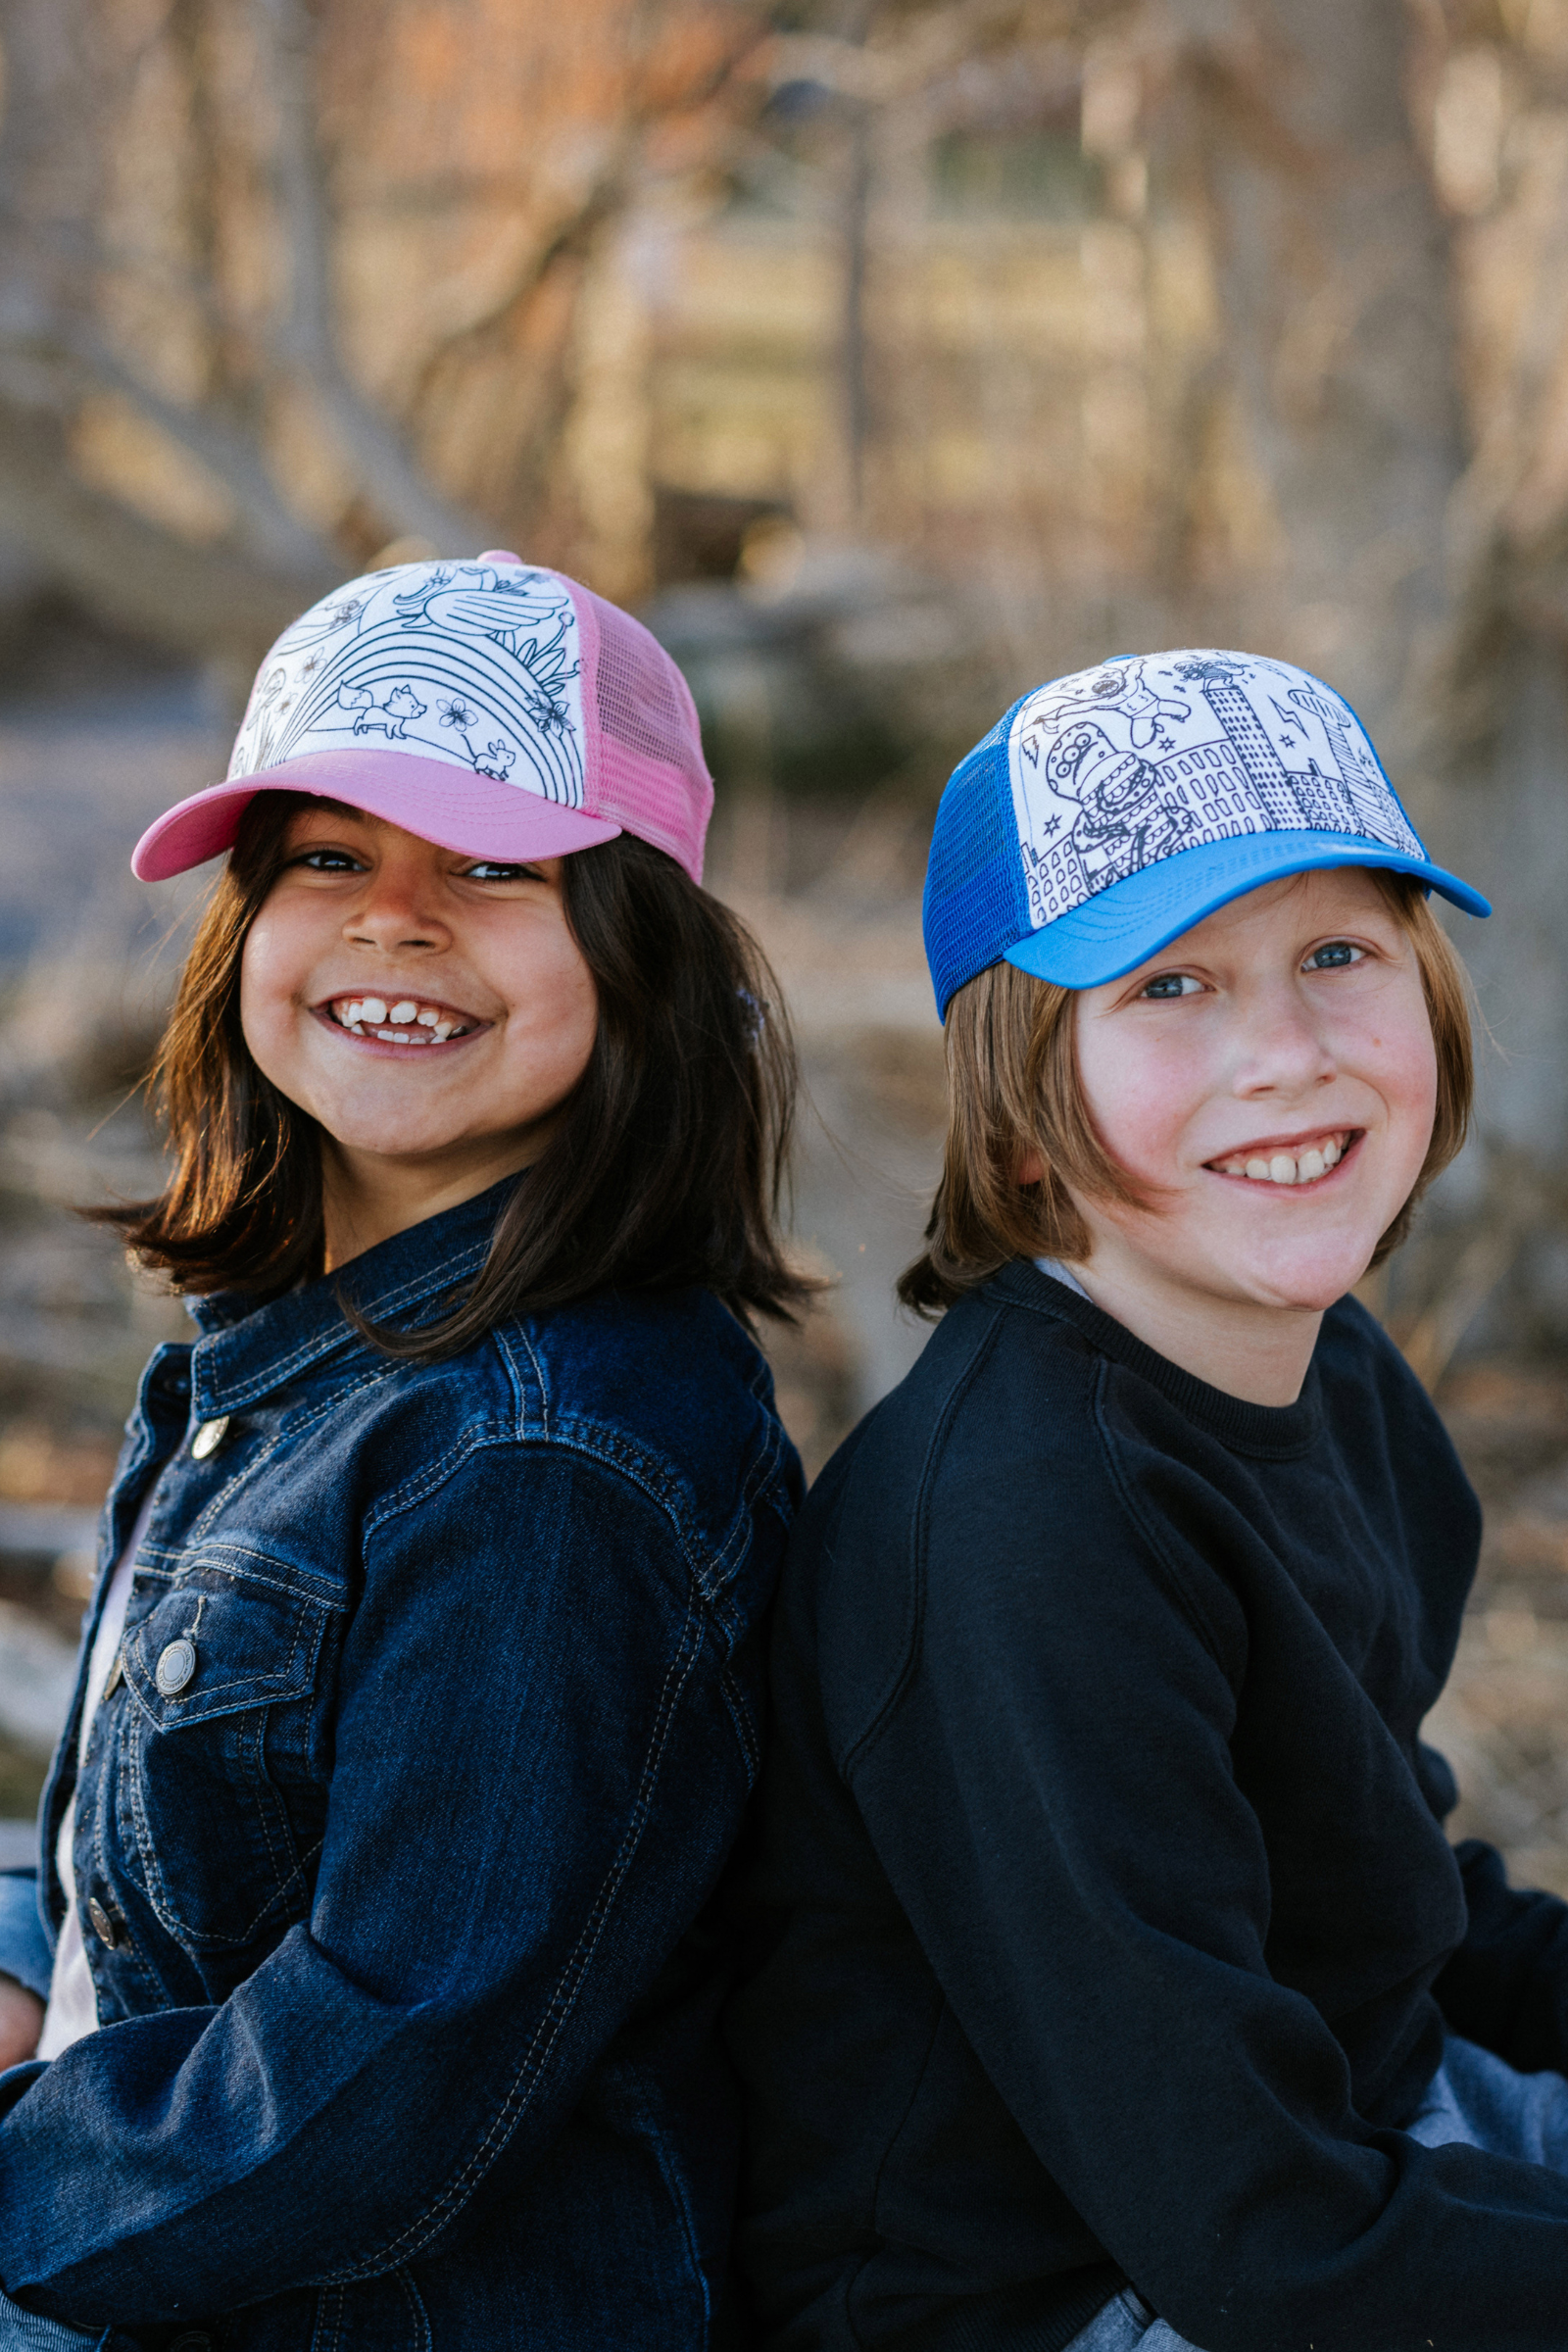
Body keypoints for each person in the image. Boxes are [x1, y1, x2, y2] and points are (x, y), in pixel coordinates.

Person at [0, 552, 805, 2350]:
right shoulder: (306, 1354)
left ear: (639, 944)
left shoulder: (550, 1464)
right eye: (330, 858)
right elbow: (181, 1848)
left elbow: (388, 2071)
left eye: (495, 866)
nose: (394, 920)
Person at [726, 648, 1568, 2351]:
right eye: (1168, 988)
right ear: (1025, 1112)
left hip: (1349, 2134)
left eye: (1339, 953)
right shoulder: (1026, 1529)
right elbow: (1258, 2241)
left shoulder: (1328, 1371)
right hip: (1077, 2293)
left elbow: (1383, 1883)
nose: (1284, 1055)